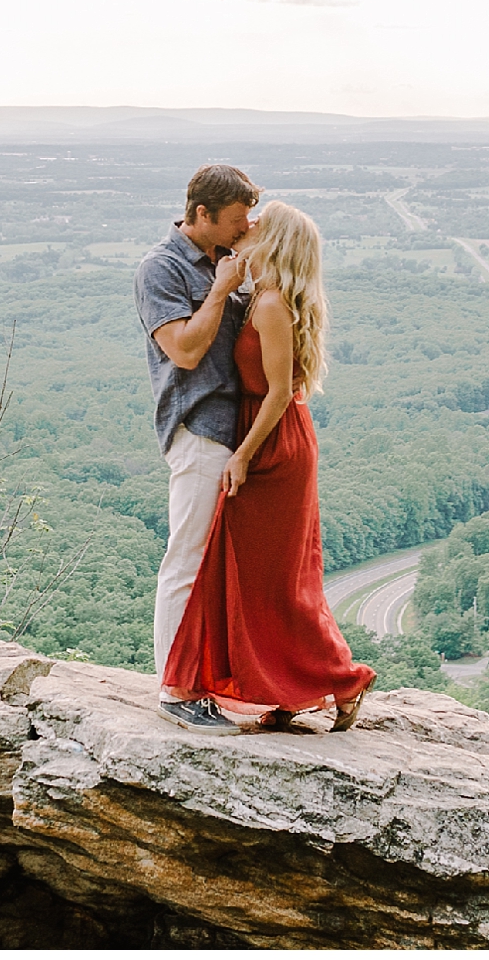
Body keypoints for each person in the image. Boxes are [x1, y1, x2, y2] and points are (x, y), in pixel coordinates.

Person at [161, 202, 376, 732]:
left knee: (280, 581)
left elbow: (279, 391)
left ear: (274, 240)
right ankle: (283, 686)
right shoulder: (259, 295)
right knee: (258, 578)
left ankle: (341, 680)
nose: (246, 229)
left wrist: (242, 454)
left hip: (273, 442)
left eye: (257, 225)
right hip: (265, 435)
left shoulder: (272, 304)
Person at [135, 162, 260, 735]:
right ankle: (175, 688)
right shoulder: (160, 269)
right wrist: (222, 291)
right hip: (199, 426)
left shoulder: (225, 259)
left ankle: (209, 680)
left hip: (238, 429)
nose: (245, 227)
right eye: (237, 219)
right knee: (186, 558)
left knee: (217, 567)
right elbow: (184, 350)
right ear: (202, 214)